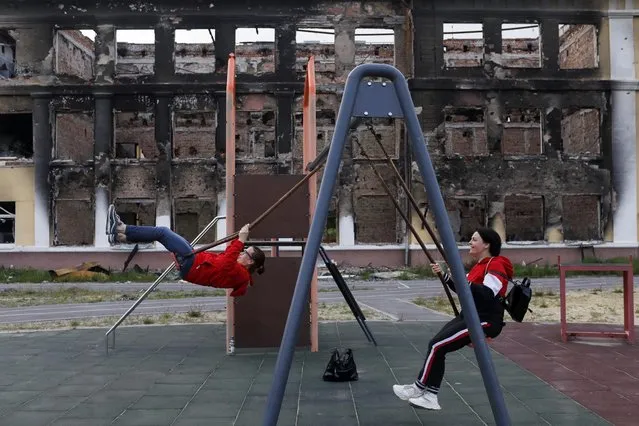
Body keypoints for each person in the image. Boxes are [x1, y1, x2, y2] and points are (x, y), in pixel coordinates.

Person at [392, 227, 513, 410]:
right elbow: (464, 291)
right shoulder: (479, 266)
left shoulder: (495, 264)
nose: (470, 243)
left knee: (437, 346)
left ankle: (420, 390)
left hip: (486, 319)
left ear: (486, 244)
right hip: (471, 315)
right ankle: (429, 393)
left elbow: (488, 294)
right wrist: (447, 277)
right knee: (436, 345)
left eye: (474, 239)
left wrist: (463, 280)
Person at [105, 204, 266, 297]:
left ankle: (120, 227)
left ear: (250, 261)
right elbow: (227, 255)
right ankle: (119, 237)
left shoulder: (242, 275)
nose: (241, 252)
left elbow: (225, 263)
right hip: (193, 261)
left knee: (163, 232)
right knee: (161, 235)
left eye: (245, 252)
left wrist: (241, 240)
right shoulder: (237, 270)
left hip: (192, 263)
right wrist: (238, 238)